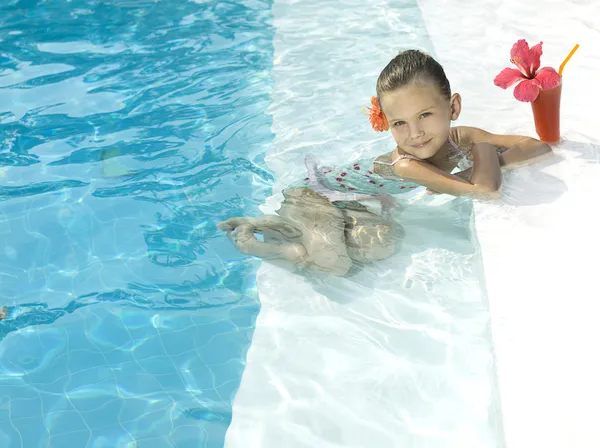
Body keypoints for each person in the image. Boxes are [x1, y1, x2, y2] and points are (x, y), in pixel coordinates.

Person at [218, 49, 553, 276]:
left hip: (358, 203)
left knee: (381, 245)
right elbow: (484, 191)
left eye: (425, 115)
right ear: (387, 124)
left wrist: (474, 162)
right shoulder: (407, 163)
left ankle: (284, 229)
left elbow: (537, 146)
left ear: (453, 108)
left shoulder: (459, 136)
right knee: (333, 266)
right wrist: (484, 149)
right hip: (316, 196)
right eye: (400, 123)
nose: (415, 133)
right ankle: (267, 243)